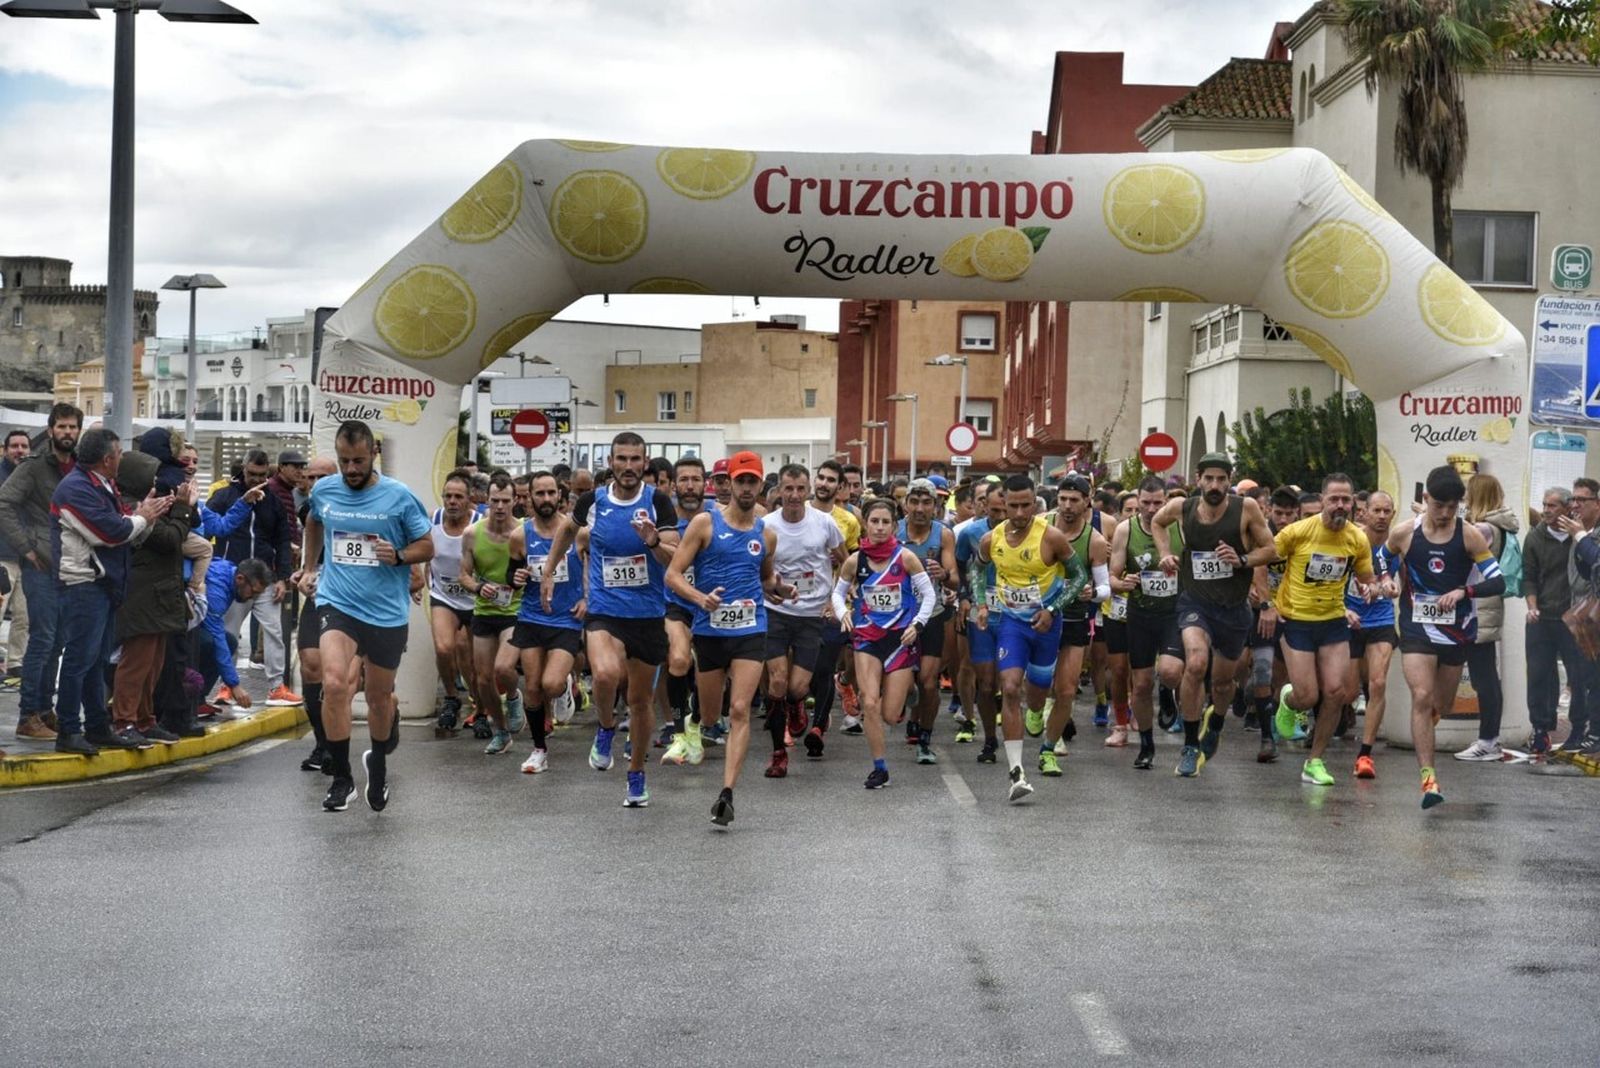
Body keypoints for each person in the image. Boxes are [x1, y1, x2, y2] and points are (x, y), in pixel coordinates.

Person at [299, 420, 435, 813]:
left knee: (378, 698)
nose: (352, 469)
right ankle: (342, 778)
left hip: (385, 612)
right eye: (344, 461)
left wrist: (401, 556)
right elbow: (314, 520)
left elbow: (426, 544)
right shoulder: (324, 489)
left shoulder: (398, 496)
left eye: (358, 461)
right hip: (337, 602)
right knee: (336, 683)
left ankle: (377, 764)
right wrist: (310, 567)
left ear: (373, 454)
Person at [541, 431, 679, 809]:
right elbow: (567, 531)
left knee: (639, 702)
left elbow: (674, 560)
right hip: (604, 609)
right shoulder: (592, 501)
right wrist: (550, 571)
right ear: (611, 462)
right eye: (622, 459)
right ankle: (604, 728)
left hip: (648, 615)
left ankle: (636, 776)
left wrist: (653, 542)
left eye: (636, 459)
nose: (629, 466)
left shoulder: (659, 503)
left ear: (645, 462)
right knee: (604, 674)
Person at [667, 452, 793, 824]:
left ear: (760, 485)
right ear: (729, 484)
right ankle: (696, 722)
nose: (747, 488)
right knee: (711, 717)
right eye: (741, 481)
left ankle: (727, 794)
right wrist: (699, 599)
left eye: (753, 481)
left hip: (750, 629)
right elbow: (673, 576)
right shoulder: (705, 524)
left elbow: (767, 580)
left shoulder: (766, 534)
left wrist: (782, 591)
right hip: (709, 631)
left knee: (739, 709)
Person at [49, 427, 175, 754]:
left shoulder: (99, 484)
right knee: (79, 660)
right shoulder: (75, 489)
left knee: (96, 660)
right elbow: (110, 532)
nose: (121, 458)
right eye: (119, 453)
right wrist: (143, 518)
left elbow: (121, 523)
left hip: (102, 585)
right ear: (107, 459)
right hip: (82, 585)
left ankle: (96, 727)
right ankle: (68, 730)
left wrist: (139, 515)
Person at [1245, 474, 1377, 787]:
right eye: (1335, 499)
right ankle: (1289, 701)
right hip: (1296, 620)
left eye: (1346, 500)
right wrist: (1268, 605)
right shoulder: (1298, 531)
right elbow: (1261, 559)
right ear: (1322, 500)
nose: (1341, 505)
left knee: (1337, 692)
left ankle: (1314, 761)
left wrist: (1372, 588)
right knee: (1307, 695)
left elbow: (1365, 577)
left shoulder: (1357, 538)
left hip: (1332, 620)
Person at [1387, 465, 1506, 809]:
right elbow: (1383, 561)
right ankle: (1429, 781)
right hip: (1416, 628)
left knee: (1443, 705)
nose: (1445, 513)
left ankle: (1426, 724)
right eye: (1439, 505)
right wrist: (1386, 580)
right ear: (1426, 499)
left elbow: (1498, 582)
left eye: (1453, 507)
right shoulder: (1405, 533)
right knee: (1421, 697)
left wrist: (1464, 591)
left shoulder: (1468, 535)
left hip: (1455, 632)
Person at [1152, 453, 1273, 777]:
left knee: (1223, 684)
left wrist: (1242, 559)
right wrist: (1165, 554)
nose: (1215, 485)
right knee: (1195, 663)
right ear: (1198, 478)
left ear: (1229, 480)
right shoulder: (1183, 508)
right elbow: (1156, 522)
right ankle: (1190, 745)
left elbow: (1271, 550)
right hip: (1195, 602)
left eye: (1222, 479)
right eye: (1209, 478)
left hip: (1233, 610)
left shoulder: (1245, 509)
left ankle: (1216, 722)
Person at [972, 475, 1086, 801]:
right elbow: (977, 570)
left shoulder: (1052, 537)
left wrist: (1051, 608)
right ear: (1002, 504)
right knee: (1008, 687)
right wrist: (981, 602)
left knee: (1036, 693)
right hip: (1012, 624)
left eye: (1026, 505)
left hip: (1046, 627)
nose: (1020, 512)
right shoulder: (990, 539)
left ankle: (1036, 713)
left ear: (1036, 503)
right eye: (1013, 505)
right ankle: (1016, 772)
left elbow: (1078, 576)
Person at [832, 497, 938, 791]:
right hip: (867, 637)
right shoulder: (855, 561)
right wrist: (843, 615)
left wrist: (917, 625)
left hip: (901, 639)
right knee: (869, 703)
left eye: (885, 522)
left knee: (892, 716)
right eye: (874, 522)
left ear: (895, 525)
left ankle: (908, 690)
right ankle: (880, 768)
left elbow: (929, 595)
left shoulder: (906, 558)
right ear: (865, 524)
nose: (879, 528)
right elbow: (838, 595)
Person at [0, 403, 82, 743]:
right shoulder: (34, 468)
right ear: (50, 431)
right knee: (43, 639)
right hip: (41, 565)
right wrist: (27, 547)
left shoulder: (80, 467)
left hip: (70, 567)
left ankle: (45, 710)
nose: (66, 432)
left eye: (72, 427)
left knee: (59, 642)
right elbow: (3, 502)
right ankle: (27, 714)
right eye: (61, 426)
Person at [755, 463, 843, 768]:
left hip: (811, 614)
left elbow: (845, 563)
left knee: (797, 688)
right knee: (777, 681)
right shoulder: (766, 526)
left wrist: (837, 599)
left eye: (799, 489)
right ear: (779, 490)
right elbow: (754, 569)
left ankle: (795, 706)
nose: (794, 495)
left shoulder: (824, 523)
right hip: (776, 612)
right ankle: (778, 754)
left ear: (807, 490)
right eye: (788, 489)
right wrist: (767, 589)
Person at [207, 448, 300, 707]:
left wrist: (282, 577)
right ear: (243, 470)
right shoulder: (224, 496)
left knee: (274, 631)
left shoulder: (274, 503)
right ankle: (226, 685)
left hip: (265, 578)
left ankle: (276, 687)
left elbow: (283, 540)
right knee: (229, 633)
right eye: (251, 474)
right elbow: (205, 525)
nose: (256, 479)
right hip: (233, 578)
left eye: (261, 475)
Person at [510, 470, 585, 775]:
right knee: (531, 686)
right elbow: (512, 577)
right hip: (531, 616)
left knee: (550, 685)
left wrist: (587, 599)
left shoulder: (577, 532)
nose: (546, 499)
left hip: (566, 619)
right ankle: (539, 750)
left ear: (560, 495)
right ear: (529, 498)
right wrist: (515, 579)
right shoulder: (520, 535)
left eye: (551, 493)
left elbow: (593, 568)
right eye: (539, 494)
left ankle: (566, 685)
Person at [1109, 476, 1184, 770]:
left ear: (1166, 501)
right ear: (1137, 501)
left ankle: (1167, 691)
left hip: (1175, 612)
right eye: (1146, 503)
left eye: (1158, 503)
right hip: (1140, 613)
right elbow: (1113, 577)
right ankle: (1147, 744)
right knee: (1140, 685)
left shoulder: (1179, 526)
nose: (1152, 509)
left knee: (1169, 672)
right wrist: (1123, 582)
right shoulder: (1125, 530)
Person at [1041, 474, 1110, 774]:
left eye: (1074, 500)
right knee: (1038, 683)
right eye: (1063, 499)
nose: (1068, 506)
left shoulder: (1094, 540)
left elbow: (1106, 587)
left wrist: (1092, 592)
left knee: (1066, 689)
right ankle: (1037, 712)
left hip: (1075, 619)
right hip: (1040, 617)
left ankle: (1049, 746)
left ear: (1087, 503)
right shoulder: (1040, 526)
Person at [458, 473, 526, 756]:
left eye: (505, 501)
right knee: (482, 679)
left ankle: (513, 696)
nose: (499, 507)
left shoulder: (524, 531)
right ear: (486, 501)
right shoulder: (472, 534)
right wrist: (478, 587)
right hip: (485, 610)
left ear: (514, 501)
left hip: (515, 609)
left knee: (502, 669)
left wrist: (525, 577)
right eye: (494, 501)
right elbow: (463, 575)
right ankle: (500, 731)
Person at [1455, 472, 1520, 762]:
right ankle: (1488, 739)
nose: (1465, 498)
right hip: (1486, 604)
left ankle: (1488, 740)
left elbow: (1457, 551)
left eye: (1469, 493)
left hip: (1478, 607)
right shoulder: (1499, 525)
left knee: (1484, 677)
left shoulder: (1483, 528)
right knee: (1485, 676)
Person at [896, 478, 957, 765]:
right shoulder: (893, 531)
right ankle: (910, 709)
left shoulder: (943, 535)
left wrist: (944, 574)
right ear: (905, 503)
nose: (920, 508)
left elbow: (955, 578)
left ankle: (925, 737)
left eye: (927, 503)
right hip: (898, 617)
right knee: (908, 684)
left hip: (932, 615)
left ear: (936, 506)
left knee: (929, 682)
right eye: (914, 502)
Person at [1522, 486, 1581, 756]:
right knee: (1538, 675)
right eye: (1544, 505)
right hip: (1543, 616)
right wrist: (1532, 607)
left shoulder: (1580, 537)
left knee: (1578, 675)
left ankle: (1579, 729)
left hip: (1572, 618)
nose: (1546, 510)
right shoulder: (1535, 538)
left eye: (1553, 506)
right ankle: (1540, 729)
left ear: (1568, 508)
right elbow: (1529, 577)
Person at [1345, 489, 1400, 779]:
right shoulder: (1352, 538)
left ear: (1393, 513)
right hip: (1350, 620)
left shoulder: (1398, 543)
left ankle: (1364, 756)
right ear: (1364, 512)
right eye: (1375, 511)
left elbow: (1401, 578)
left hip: (1381, 619)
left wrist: (1393, 588)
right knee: (1348, 691)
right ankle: (1295, 701)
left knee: (1377, 683)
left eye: (1386, 511)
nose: (1380, 517)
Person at [806, 458, 863, 737]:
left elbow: (852, 563)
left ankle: (818, 724)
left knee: (826, 664)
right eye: (821, 478)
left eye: (831, 480)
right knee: (809, 670)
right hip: (800, 602)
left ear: (840, 487)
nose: (824, 484)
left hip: (833, 602)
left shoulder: (848, 520)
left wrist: (837, 595)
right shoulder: (796, 511)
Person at [661, 457, 709, 761]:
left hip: (712, 606)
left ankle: (697, 724)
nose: (690, 486)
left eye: (696, 479)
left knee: (712, 675)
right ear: (674, 484)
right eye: (684, 480)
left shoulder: (717, 519)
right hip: (675, 605)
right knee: (678, 660)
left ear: (706, 484)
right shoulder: (663, 523)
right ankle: (678, 733)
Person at [954, 481, 1005, 760]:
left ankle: (1013, 738)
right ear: (984, 505)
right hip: (981, 612)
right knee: (986, 683)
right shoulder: (970, 533)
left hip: (1014, 612)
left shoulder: (1031, 533)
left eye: (1003, 511)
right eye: (993, 510)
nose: (998, 517)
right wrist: (964, 595)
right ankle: (990, 739)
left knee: (1009, 681)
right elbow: (961, 567)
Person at [291, 456, 336, 773]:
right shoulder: (307, 510)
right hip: (318, 596)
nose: (315, 484)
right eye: (311, 477)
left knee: (346, 678)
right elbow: (309, 559)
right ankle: (323, 744)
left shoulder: (358, 509)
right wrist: (303, 573)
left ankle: (382, 713)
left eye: (322, 477)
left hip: (352, 601)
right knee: (310, 665)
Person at [425, 470, 477, 736]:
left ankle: (480, 703)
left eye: (459, 497)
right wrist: (420, 575)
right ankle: (451, 697)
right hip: (444, 595)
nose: (453, 501)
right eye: (448, 496)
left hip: (476, 599)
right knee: (444, 648)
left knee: (471, 658)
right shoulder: (432, 520)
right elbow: (423, 548)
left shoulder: (480, 523)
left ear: (469, 500)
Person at [1562, 478, 1600, 753]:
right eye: (1572, 500)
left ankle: (1596, 735)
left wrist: (1581, 538)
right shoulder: (1578, 533)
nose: (1574, 506)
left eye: (1581, 500)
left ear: (1597, 504)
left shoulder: (1584, 536)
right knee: (1590, 676)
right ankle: (1594, 733)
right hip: (1587, 617)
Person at [0, 427, 32, 690]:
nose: (19, 450)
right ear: (5, 449)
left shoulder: (32, 478)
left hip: (27, 560)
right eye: (15, 446)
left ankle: (15, 663)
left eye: (24, 446)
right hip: (2, 558)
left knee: (24, 616)